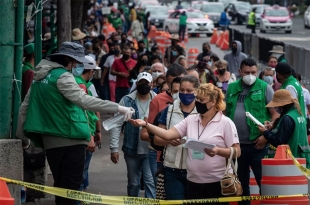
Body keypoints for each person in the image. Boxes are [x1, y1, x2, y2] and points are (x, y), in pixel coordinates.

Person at [16, 42, 134, 205]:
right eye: (76, 62)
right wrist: (118, 107)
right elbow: (84, 100)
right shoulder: (62, 76)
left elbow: (24, 107)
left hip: (51, 141)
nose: (78, 66)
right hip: (72, 138)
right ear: (67, 60)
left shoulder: (40, 77)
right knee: (71, 190)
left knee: (60, 188)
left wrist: (22, 137)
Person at [130, 83, 240, 205]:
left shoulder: (226, 123)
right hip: (193, 182)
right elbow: (167, 134)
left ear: (213, 102)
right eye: (197, 98)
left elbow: (237, 151)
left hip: (217, 182)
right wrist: (146, 125)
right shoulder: (191, 120)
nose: (197, 102)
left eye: (201, 100)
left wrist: (218, 151)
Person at [225, 58, 279, 205]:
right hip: (237, 147)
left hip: (258, 145)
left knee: (264, 183)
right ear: (240, 72)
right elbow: (225, 113)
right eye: (247, 72)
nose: (250, 75)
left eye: (253, 72)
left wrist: (266, 137)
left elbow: (275, 114)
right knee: (241, 186)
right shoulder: (231, 88)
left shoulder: (264, 88)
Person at [110, 72, 156, 198]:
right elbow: (116, 124)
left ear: (152, 84)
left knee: (150, 182)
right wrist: (114, 148)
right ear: (136, 83)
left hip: (151, 149)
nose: (144, 85)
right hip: (131, 150)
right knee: (133, 183)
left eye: (147, 83)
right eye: (141, 82)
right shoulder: (126, 100)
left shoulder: (157, 100)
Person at [154, 75, 199, 200]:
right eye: (182, 90)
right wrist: (168, 140)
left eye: (189, 91)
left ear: (197, 91)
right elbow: (156, 139)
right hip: (172, 169)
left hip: (197, 171)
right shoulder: (169, 110)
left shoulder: (203, 112)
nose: (185, 93)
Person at [257, 89, 310, 168]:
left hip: (291, 162)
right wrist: (273, 126)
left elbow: (279, 141)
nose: (275, 108)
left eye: (277, 105)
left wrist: (265, 132)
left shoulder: (287, 118)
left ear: (283, 105)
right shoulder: (297, 114)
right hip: (301, 158)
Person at [74, 55, 101, 194]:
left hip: (80, 132)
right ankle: (80, 198)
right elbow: (87, 112)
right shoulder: (83, 85)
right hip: (84, 133)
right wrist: (93, 134)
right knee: (81, 170)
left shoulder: (74, 81)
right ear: (90, 72)